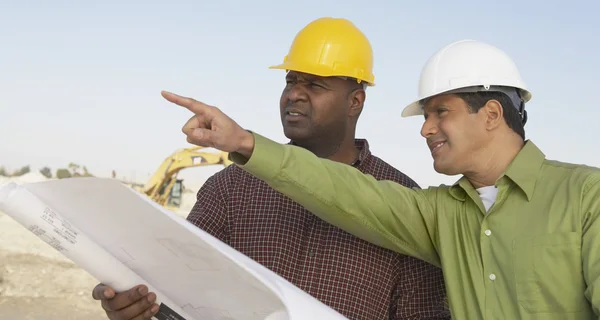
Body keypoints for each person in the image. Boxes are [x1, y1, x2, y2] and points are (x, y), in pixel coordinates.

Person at [163, 39, 600, 319]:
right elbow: (345, 191)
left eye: (439, 113)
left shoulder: (585, 196)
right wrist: (243, 141)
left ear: (490, 114)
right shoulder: (437, 213)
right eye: (425, 115)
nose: (426, 129)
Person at [93, 17, 450, 320]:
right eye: (290, 81)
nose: (294, 94)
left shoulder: (403, 204)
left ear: (355, 101)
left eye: (314, 84)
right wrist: (138, 306)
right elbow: (180, 295)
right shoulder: (231, 189)